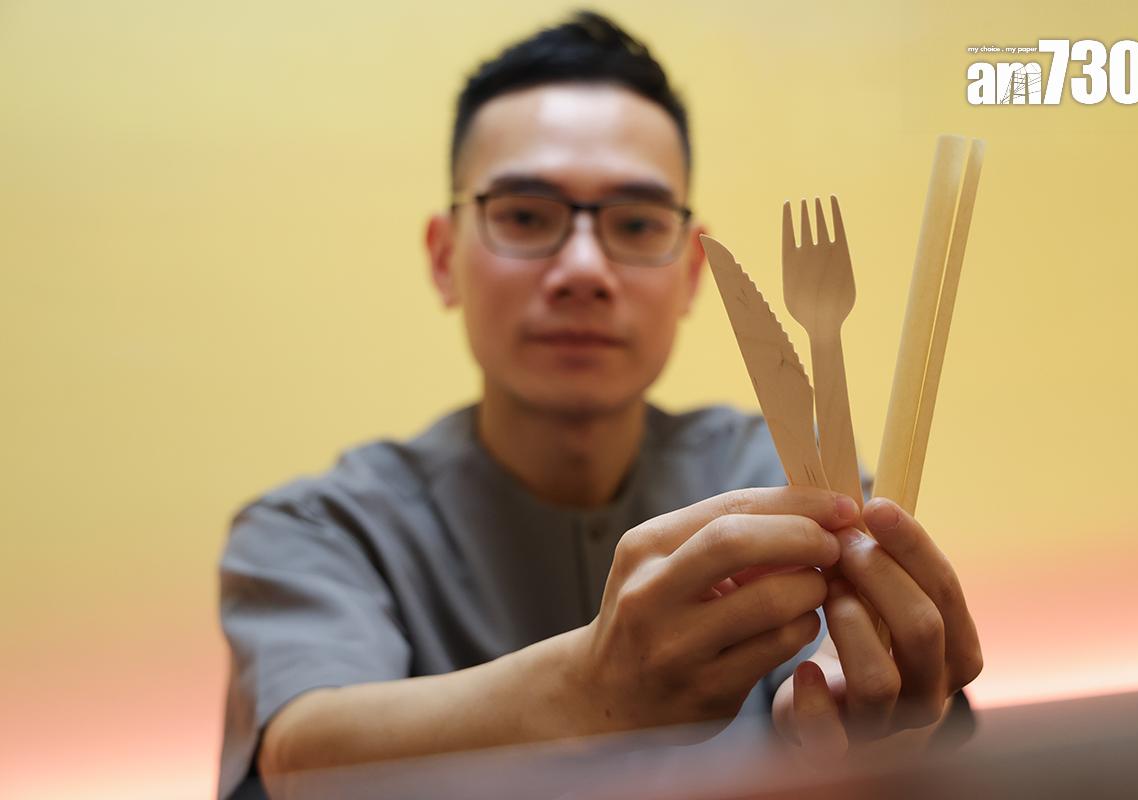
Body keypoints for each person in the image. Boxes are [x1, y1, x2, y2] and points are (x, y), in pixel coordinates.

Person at [217, 11, 982, 800]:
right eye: (524, 215)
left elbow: (859, 671)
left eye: (637, 223)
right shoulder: (322, 530)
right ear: (445, 259)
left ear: (690, 275)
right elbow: (301, 758)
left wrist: (881, 709)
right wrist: (588, 689)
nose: (583, 269)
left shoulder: (782, 465)